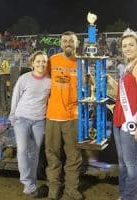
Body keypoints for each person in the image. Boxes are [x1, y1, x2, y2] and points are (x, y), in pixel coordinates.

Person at [107, 28, 137, 200]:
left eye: (131, 45)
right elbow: (122, 92)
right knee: (123, 162)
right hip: (119, 119)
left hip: (130, 122)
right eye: (124, 46)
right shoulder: (127, 67)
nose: (127, 48)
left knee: (130, 164)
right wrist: (110, 80)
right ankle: (124, 194)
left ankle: (131, 197)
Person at [45, 31, 83, 200]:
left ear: (77, 44)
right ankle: (53, 188)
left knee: (74, 156)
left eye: (71, 41)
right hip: (53, 116)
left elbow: (89, 87)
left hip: (73, 117)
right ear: (61, 44)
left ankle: (71, 190)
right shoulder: (52, 61)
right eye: (65, 41)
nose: (68, 43)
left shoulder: (82, 63)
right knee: (52, 155)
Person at [9, 51, 50, 198]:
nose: (41, 64)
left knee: (34, 153)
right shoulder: (24, 79)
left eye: (44, 62)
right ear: (32, 63)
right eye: (38, 61)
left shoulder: (49, 80)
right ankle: (27, 183)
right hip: (22, 119)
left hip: (39, 121)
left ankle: (31, 184)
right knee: (22, 150)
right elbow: (16, 97)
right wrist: (12, 116)